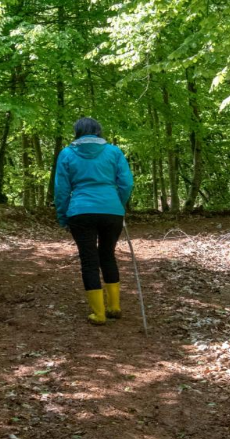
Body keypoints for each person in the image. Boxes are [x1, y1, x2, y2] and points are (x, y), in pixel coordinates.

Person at [54, 117, 134, 324]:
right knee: (107, 255)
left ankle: (98, 314)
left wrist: (63, 216)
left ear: (77, 132)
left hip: (80, 211)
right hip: (111, 210)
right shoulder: (114, 152)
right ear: (98, 131)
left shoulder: (67, 154)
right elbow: (126, 183)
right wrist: (119, 205)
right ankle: (114, 306)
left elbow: (61, 190)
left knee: (89, 260)